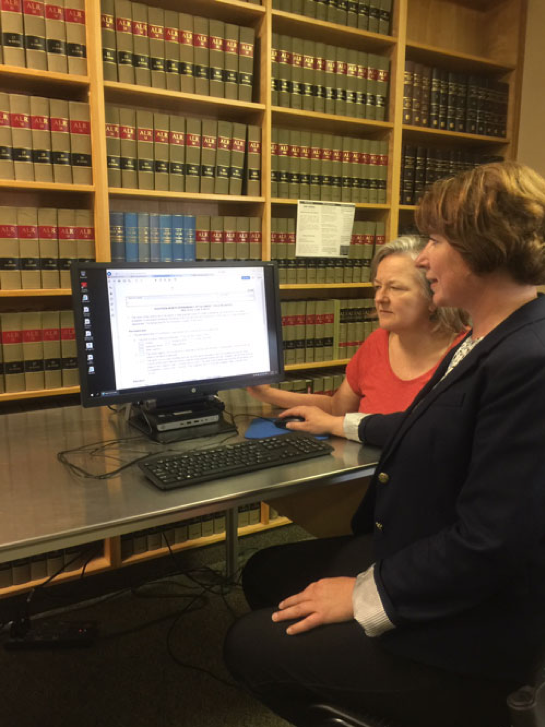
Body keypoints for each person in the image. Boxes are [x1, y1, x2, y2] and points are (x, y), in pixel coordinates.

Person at [224, 161, 545, 727]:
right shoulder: (489, 335)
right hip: (428, 550)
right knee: (267, 574)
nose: (422, 258)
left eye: (438, 241)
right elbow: (430, 423)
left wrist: (365, 597)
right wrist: (341, 424)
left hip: (481, 628)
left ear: (483, 247)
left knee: (246, 642)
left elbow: (492, 542)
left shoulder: (530, 360)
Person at [250, 236, 468, 537]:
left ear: (434, 296)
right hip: (369, 496)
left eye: (396, 287)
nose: (380, 298)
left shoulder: (467, 357)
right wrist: (269, 394)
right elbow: (338, 410)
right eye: (377, 286)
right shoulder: (377, 343)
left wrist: (332, 423)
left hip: (427, 515)